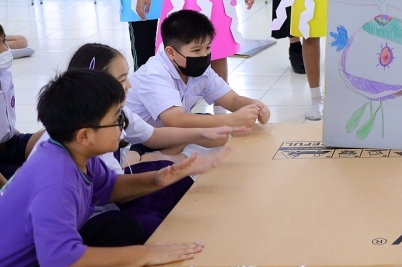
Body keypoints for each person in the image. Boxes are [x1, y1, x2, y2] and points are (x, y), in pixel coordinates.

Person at [0, 69, 217, 267]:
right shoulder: (55, 181)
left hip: (43, 256)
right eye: (117, 120)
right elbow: (60, 257)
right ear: (85, 135)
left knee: (126, 228)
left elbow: (109, 187)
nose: (122, 128)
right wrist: (144, 254)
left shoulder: (74, 152)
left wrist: (158, 179)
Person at [25, 43, 248, 239]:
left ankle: (191, 224)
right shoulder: (77, 147)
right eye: (122, 79)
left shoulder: (113, 114)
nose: (130, 85)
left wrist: (201, 135)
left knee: (167, 178)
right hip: (84, 218)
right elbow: (110, 191)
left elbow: (153, 136)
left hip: (102, 195)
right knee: (146, 222)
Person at [125, 10, 270, 135]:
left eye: (207, 47)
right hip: (136, 141)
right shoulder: (155, 74)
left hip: (164, 132)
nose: (204, 55)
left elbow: (231, 100)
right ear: (171, 52)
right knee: (214, 132)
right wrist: (230, 120)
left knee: (218, 134)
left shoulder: (199, 69)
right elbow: (175, 120)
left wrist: (255, 106)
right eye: (196, 50)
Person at [0, 23, 43, 186]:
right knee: (33, 178)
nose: (5, 49)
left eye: (4, 41)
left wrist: (24, 140)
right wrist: (8, 188)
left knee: (59, 136)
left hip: (11, 143)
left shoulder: (4, 73)